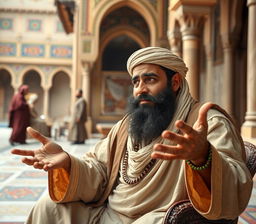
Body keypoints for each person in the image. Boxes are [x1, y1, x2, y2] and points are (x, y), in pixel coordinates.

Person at [11, 47, 253, 224]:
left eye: (150, 79)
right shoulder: (127, 125)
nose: (141, 89)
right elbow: (99, 167)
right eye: (136, 82)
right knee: (48, 207)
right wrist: (69, 164)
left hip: (157, 216)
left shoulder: (207, 122)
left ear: (175, 82)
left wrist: (203, 157)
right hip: (109, 214)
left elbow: (237, 182)